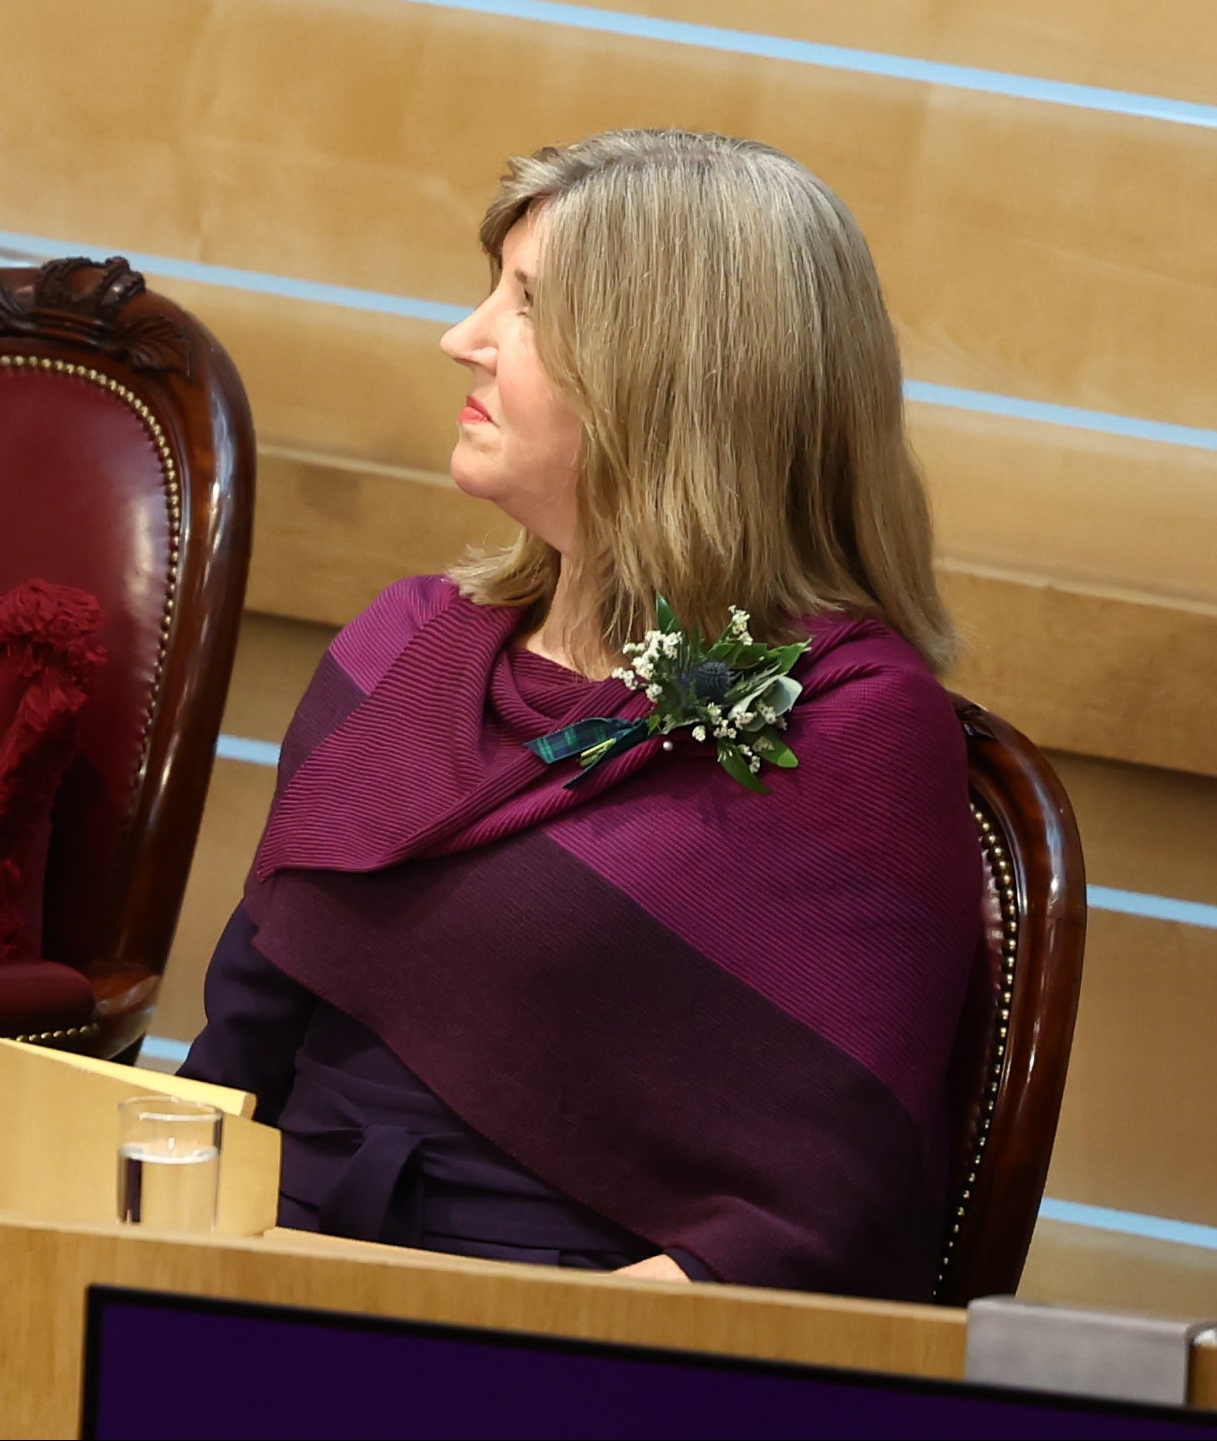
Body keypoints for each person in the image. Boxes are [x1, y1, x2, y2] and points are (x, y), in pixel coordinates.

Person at [178, 130, 987, 1297]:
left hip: (568, 1341)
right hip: (264, 1269)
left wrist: (500, 1362)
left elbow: (819, 1220)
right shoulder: (401, 644)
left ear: (673, 375)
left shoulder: (852, 725)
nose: (460, 337)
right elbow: (234, 1053)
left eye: (527, 304)